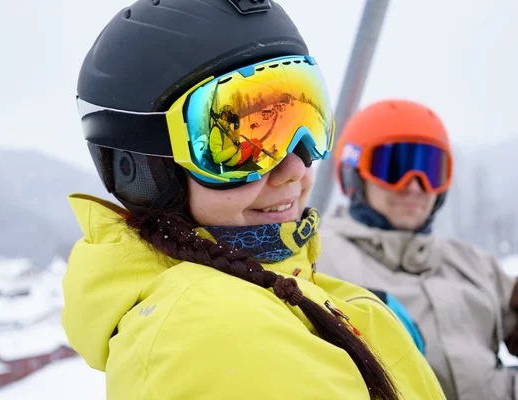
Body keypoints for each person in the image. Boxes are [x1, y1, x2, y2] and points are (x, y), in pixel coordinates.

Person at [61, 1, 445, 399]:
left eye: (306, 121)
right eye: (245, 144)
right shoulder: (217, 330)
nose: (294, 168)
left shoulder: (284, 289)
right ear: (143, 169)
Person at [317, 98, 518, 400]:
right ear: (354, 173)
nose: (414, 185)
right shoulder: (317, 260)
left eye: (430, 170)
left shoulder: (471, 262)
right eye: (394, 167)